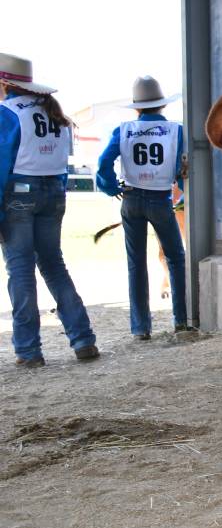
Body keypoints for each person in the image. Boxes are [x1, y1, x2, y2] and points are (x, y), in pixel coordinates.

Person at [0, 53, 101, 367]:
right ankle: (83, 339)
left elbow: (2, 161)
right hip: (53, 192)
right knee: (54, 266)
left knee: (20, 269)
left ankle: (29, 350)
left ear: (5, 83)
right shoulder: (54, 113)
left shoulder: (7, 112)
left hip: (19, 192)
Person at [96, 76, 190, 339]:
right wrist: (183, 192)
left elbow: (104, 163)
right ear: (161, 105)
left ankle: (140, 328)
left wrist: (110, 187)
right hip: (160, 199)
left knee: (135, 262)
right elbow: (183, 168)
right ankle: (181, 320)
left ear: (136, 107)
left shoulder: (123, 130)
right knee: (176, 258)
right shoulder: (176, 130)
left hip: (131, 198)